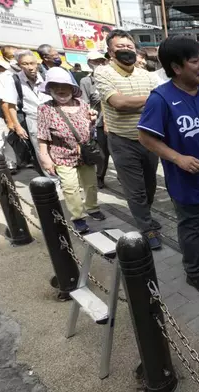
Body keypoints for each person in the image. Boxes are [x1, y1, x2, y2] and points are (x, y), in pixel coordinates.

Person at [137, 36, 199, 295]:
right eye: (194, 61)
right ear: (176, 67)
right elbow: (145, 137)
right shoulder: (161, 99)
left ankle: (197, 252)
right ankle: (195, 271)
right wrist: (178, 158)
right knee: (190, 225)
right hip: (186, 180)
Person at [94, 30, 161, 248]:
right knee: (135, 189)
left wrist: (146, 101)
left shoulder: (148, 75)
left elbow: (162, 101)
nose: (126, 50)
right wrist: (152, 99)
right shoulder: (103, 73)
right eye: (119, 47)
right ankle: (147, 228)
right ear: (110, 52)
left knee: (150, 185)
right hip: (122, 141)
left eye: (129, 47)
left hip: (150, 140)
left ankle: (146, 216)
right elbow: (119, 103)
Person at [37, 68, 106, 233]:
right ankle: (78, 217)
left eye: (64, 86)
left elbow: (89, 128)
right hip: (62, 155)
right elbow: (42, 136)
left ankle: (92, 207)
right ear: (50, 89)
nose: (61, 90)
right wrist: (45, 157)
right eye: (56, 86)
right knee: (70, 187)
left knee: (90, 184)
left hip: (85, 154)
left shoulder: (82, 104)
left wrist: (92, 118)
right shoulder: (45, 109)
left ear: (71, 88)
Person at [1, 50, 53, 176]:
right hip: (33, 119)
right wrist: (17, 126)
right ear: (19, 65)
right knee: (41, 151)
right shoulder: (14, 80)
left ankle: (65, 178)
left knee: (57, 148)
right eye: (25, 64)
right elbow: (11, 105)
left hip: (52, 117)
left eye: (32, 63)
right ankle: (53, 181)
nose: (30, 67)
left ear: (37, 64)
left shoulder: (46, 76)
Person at [79, 51, 109, 188]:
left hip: (115, 122)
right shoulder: (86, 82)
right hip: (99, 124)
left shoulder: (111, 78)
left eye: (101, 61)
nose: (99, 64)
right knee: (102, 154)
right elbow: (84, 104)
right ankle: (99, 176)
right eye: (95, 61)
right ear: (89, 63)